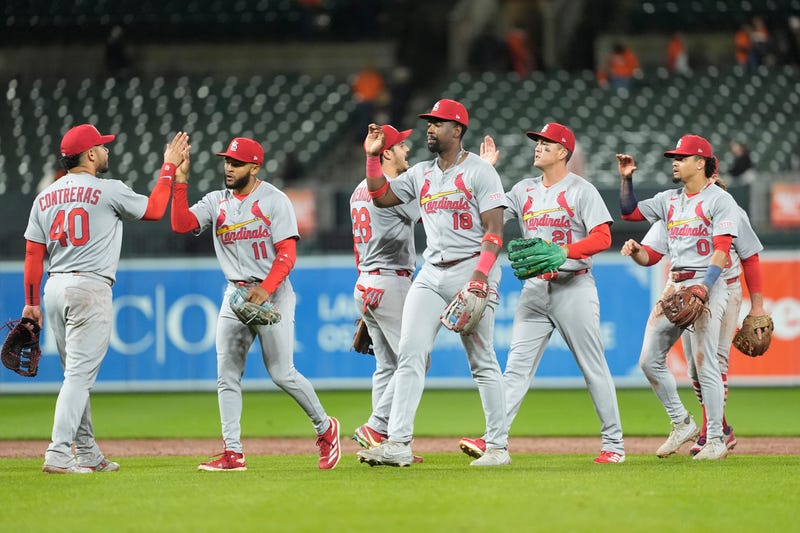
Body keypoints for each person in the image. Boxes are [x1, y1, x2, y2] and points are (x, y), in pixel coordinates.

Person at [22, 124, 187, 473]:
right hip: (89, 288)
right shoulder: (108, 190)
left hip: (53, 289)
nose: (107, 151)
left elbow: (33, 254)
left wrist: (31, 303)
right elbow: (156, 209)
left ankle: (88, 453)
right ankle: (57, 453)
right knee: (79, 378)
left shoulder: (44, 196)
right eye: (103, 146)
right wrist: (168, 167)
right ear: (91, 154)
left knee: (74, 377)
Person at [458, 124, 625, 464]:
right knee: (515, 370)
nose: (537, 147)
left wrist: (565, 252)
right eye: (537, 142)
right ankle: (495, 440)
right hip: (534, 290)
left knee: (593, 367)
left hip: (573, 286)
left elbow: (603, 238)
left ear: (563, 152)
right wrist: (484, 171)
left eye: (545, 143)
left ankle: (614, 445)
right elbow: (489, 216)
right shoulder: (523, 191)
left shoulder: (581, 190)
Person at [170, 136, 340, 471]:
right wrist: (180, 180)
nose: (229, 168)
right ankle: (233, 453)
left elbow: (288, 254)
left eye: (236, 163)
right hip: (235, 296)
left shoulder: (274, 200)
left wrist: (266, 288)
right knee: (227, 375)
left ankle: (325, 428)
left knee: (282, 373)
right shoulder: (216, 201)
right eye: (226, 162)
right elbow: (181, 225)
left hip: (273, 294)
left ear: (255, 166)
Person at [356, 99, 510, 467]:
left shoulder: (480, 172)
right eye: (428, 122)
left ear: (457, 130)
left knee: (482, 361)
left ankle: (498, 447)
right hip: (431, 273)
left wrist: (479, 278)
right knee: (409, 353)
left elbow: (494, 231)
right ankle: (398, 443)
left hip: (471, 269)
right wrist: (373, 159)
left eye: (438, 123)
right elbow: (380, 197)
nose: (429, 128)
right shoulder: (421, 172)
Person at [622, 174, 768, 455]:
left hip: (723, 285)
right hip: (679, 285)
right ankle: (713, 428)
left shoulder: (728, 207)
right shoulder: (674, 205)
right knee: (691, 367)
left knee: (713, 361)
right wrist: (638, 251)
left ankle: (713, 434)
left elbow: (749, 256)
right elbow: (651, 252)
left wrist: (757, 306)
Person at [617, 134, 740, 460]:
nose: (675, 161)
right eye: (675, 157)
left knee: (704, 362)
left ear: (700, 163)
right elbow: (629, 213)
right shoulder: (669, 199)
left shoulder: (719, 200)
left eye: (682, 157)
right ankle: (681, 422)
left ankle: (715, 438)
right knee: (648, 360)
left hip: (708, 284)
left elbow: (722, 249)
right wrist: (627, 179)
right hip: (675, 284)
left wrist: (705, 287)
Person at [349, 124, 419, 452]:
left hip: (366, 281)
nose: (407, 150)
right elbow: (433, 214)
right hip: (391, 281)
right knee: (415, 358)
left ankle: (385, 440)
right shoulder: (394, 189)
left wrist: (365, 294)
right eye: (401, 146)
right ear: (387, 152)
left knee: (386, 366)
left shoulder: (358, 190)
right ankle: (378, 428)